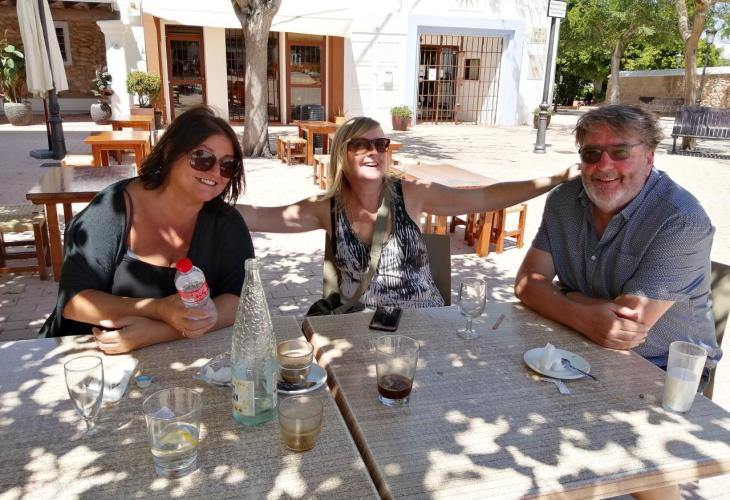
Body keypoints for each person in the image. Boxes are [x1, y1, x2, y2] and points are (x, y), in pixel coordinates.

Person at [239, 116, 577, 309]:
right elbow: (258, 216)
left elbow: (485, 197)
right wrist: (208, 197)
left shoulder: (411, 194)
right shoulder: (326, 208)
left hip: (424, 321)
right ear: (342, 153)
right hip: (360, 327)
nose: (373, 152)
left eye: (380, 144)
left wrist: (554, 179)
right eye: (361, 145)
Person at [39, 106, 254, 354]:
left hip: (171, 357)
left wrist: (160, 332)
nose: (216, 172)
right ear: (171, 151)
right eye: (202, 158)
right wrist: (159, 309)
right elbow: (73, 302)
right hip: (84, 353)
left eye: (228, 165)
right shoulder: (112, 209)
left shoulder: (225, 221)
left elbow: (238, 299)